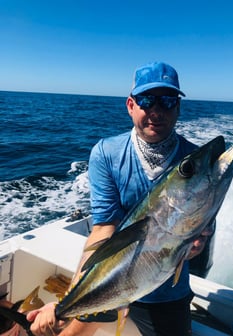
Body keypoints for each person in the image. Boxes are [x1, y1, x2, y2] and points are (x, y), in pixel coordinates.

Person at [27, 61, 215, 336]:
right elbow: (104, 229)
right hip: (112, 282)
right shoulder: (107, 153)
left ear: (178, 107)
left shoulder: (196, 163)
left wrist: (200, 240)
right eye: (147, 100)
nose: (156, 110)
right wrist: (65, 301)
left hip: (166, 293)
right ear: (130, 105)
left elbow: (203, 220)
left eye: (167, 101)